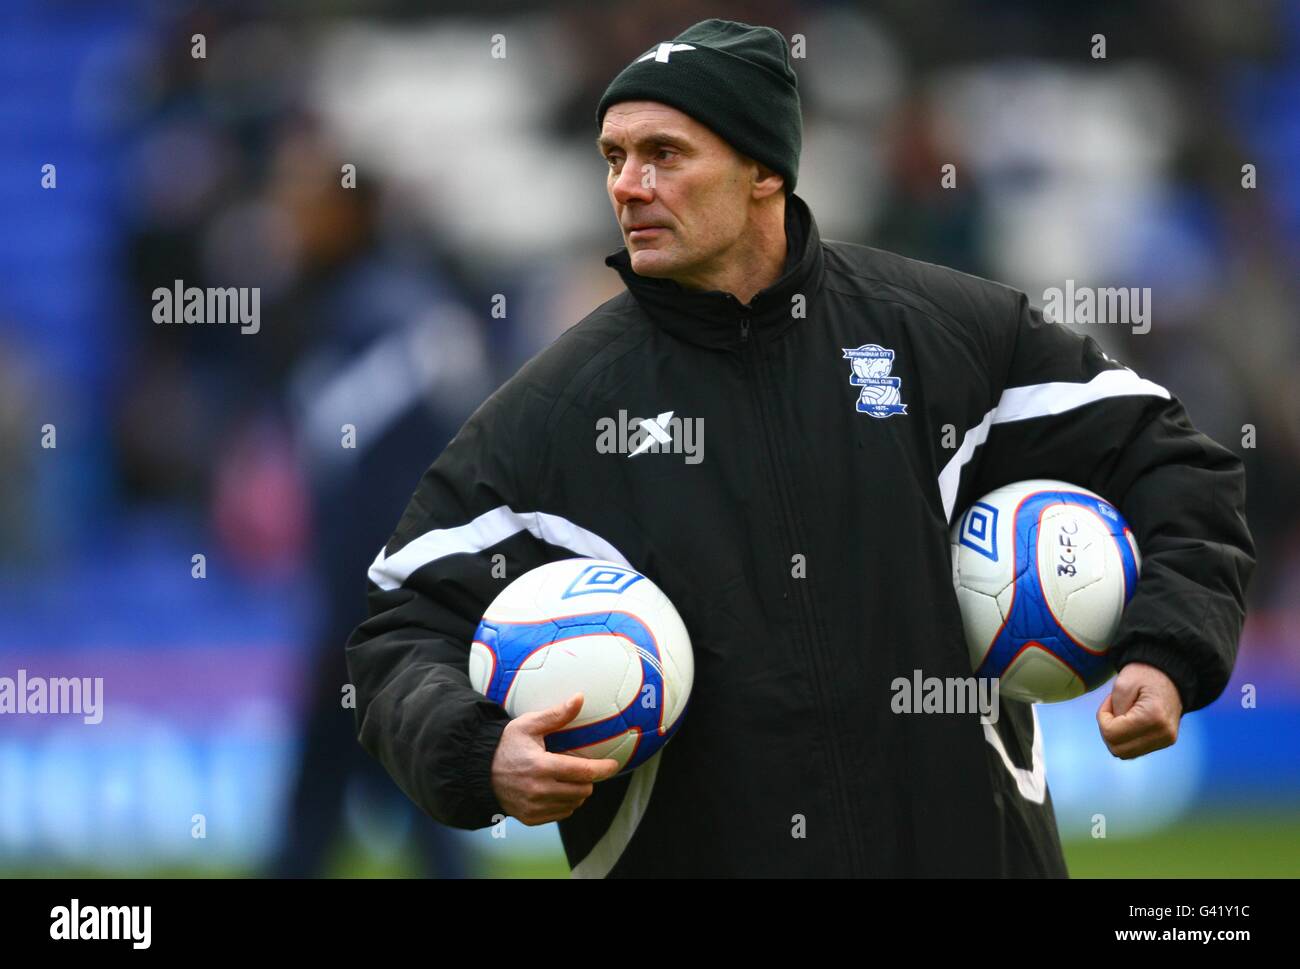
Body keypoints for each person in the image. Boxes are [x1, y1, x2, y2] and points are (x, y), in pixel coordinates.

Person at [345, 19, 1255, 877]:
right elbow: (401, 622)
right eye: (614, 157)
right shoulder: (554, 412)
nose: (628, 184)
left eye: (665, 154)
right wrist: (477, 752)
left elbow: (1173, 459)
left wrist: (1165, 651)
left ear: (763, 170)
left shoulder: (944, 335)